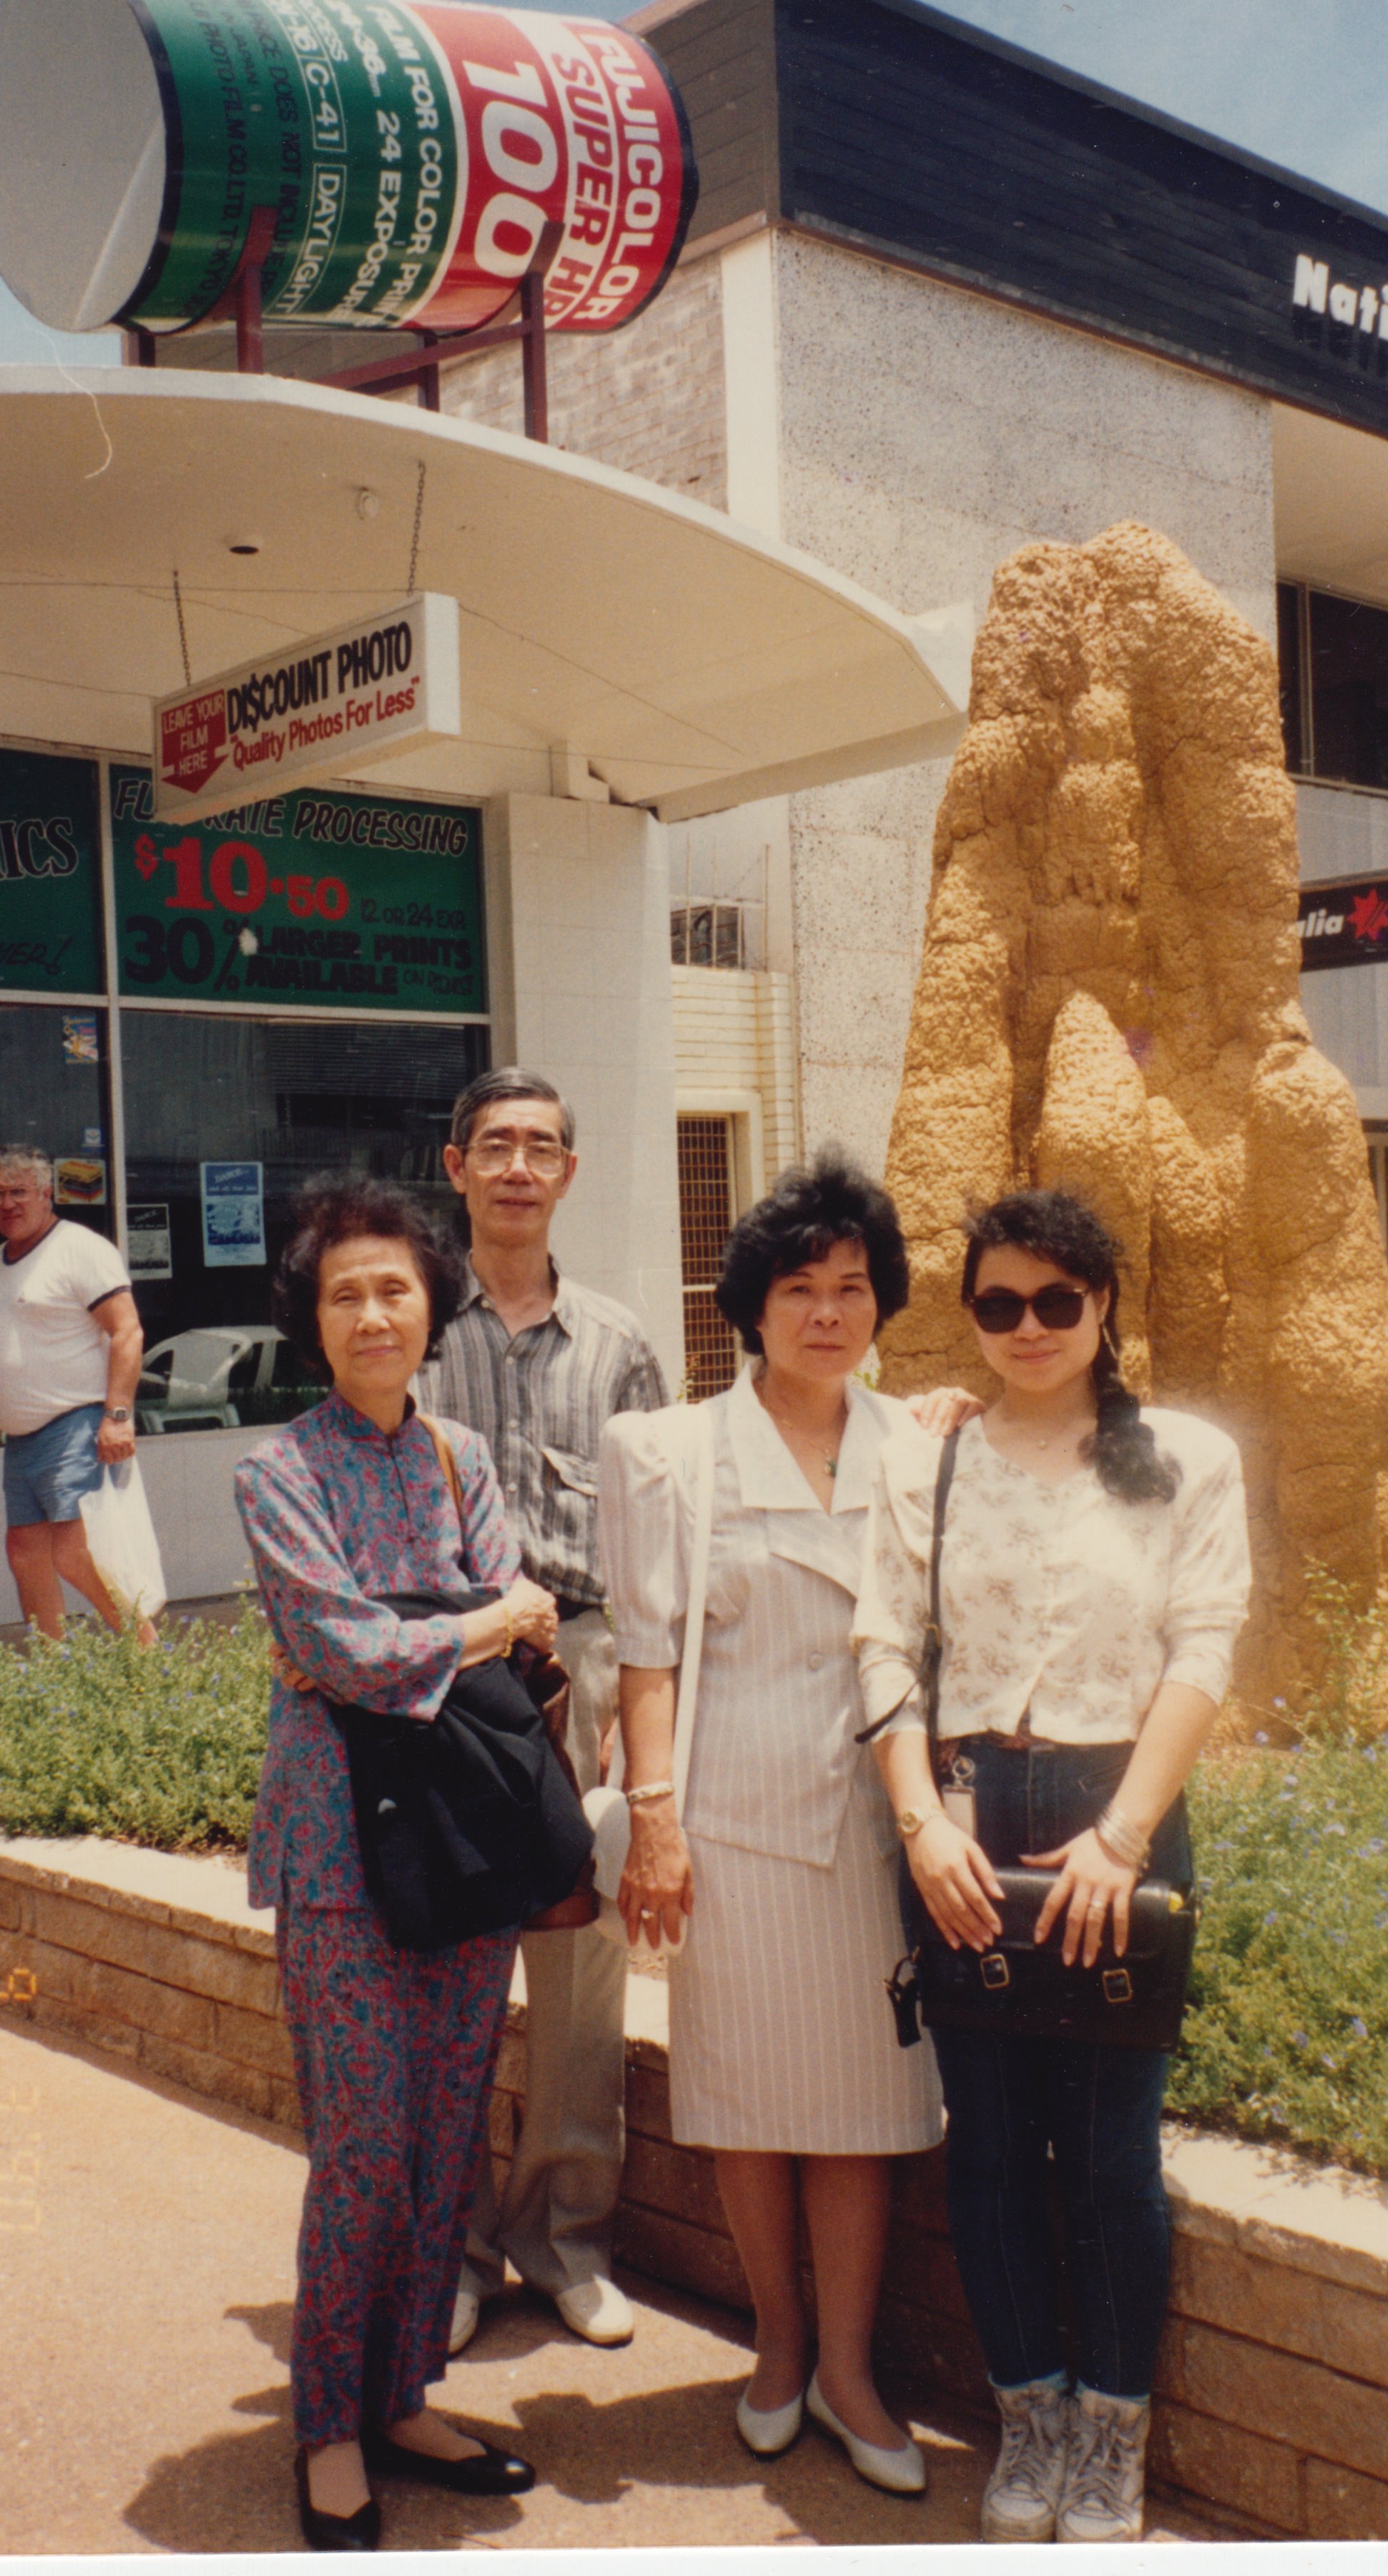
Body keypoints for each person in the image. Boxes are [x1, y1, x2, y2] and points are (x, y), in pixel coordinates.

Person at [855, 1188, 1251, 2546]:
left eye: (1055, 1302)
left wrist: (1123, 1835)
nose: (1026, 1328)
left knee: (1106, 2154)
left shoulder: (1187, 1458)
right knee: (989, 2147)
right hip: (962, 1814)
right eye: (996, 1303)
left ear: (1103, 1308)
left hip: (1113, 1810)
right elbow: (884, 1653)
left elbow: (1203, 1648)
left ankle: (1111, 2435)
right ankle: (1026, 2416)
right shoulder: (932, 1459)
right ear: (969, 1313)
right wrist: (920, 1822)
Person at [599, 1154, 943, 2495]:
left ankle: (851, 2372)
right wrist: (657, 1822)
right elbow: (646, 1658)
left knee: (858, 2107)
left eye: (852, 1288)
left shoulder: (923, 1446)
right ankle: (779, 2347)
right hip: (729, 1821)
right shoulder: (672, 1453)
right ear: (752, 1305)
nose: (827, 1313)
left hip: (875, 1820)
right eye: (800, 1288)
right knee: (748, 2103)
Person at [236, 1174, 559, 2550]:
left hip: (463, 1838)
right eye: (345, 1292)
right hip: (337, 1853)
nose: (374, 1313)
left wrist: (468, 1627)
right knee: (363, 2146)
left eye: (395, 1289)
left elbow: (506, 1638)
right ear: (314, 1319)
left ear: (432, 1305)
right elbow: (343, 1652)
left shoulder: (462, 1460)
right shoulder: (277, 1472)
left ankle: (407, 2393)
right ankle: (326, 2429)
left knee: (445, 2140)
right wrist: (479, 1625)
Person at [416, 1067, 668, 2356]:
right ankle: (451, 2256)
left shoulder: (622, 1345)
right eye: (494, 1146)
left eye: (541, 1149)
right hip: (440, 1688)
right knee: (451, 1975)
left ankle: (565, 2243)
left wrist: (640, 1701)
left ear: (570, 1173)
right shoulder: (404, 1322)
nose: (517, 1167)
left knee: (581, 1980)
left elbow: (651, 1547)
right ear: (453, 1166)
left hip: (578, 1672)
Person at [0, 1146, 157, 1646]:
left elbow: (128, 1331)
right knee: (24, 1553)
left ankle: (151, 1659)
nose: (7, 1203)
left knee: (79, 1555)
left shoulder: (80, 1247)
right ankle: (53, 1680)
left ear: (46, 1192)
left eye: (18, 1192)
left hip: (75, 1422)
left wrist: (118, 1415)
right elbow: (3, 1341)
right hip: (23, 1437)